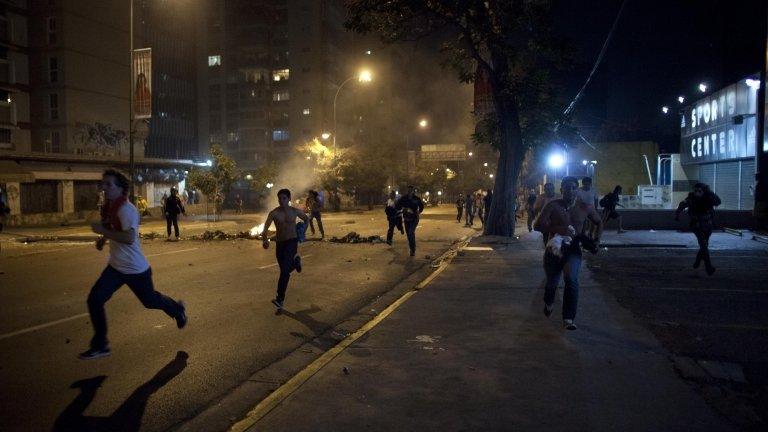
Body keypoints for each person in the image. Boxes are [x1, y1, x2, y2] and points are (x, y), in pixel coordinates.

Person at [80, 169, 187, 360]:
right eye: (103, 184)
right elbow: (113, 227)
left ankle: (177, 310)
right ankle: (101, 345)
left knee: (150, 301)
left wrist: (101, 230)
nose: (104, 188)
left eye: (109, 185)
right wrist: (103, 239)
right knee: (95, 299)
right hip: (115, 267)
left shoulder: (127, 209)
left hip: (136, 269)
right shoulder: (110, 206)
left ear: (120, 189)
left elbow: (129, 237)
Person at [534, 176, 602, 330]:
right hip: (554, 248)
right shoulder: (552, 206)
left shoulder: (585, 207)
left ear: (576, 190)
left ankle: (568, 318)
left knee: (571, 279)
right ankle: (549, 302)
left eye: (573, 188)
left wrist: (596, 241)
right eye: (566, 188)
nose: (570, 191)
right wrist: (557, 230)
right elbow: (537, 225)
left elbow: (599, 222)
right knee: (552, 284)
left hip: (573, 248)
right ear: (561, 190)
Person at [262, 188, 310, 310]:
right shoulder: (274, 213)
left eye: (284, 198)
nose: (281, 201)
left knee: (284, 271)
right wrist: (265, 240)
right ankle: (296, 262)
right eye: (279, 199)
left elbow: (306, 219)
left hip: (291, 242)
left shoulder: (294, 211)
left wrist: (302, 232)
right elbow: (266, 227)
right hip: (280, 243)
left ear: (289, 199)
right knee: (285, 270)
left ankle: (280, 298)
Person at [675, 182, 721, 275]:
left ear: (703, 191)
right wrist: (677, 213)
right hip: (696, 224)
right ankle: (708, 267)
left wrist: (711, 193)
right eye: (695, 191)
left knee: (705, 244)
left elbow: (718, 202)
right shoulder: (691, 198)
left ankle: (698, 260)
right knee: (703, 244)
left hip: (708, 224)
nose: (697, 193)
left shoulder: (709, 197)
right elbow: (682, 204)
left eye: (699, 191)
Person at [396, 185, 425, 256]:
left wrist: (418, 211)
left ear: (413, 191)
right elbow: (397, 205)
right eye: (408, 190)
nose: (409, 191)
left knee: (411, 232)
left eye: (411, 190)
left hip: (414, 218)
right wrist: (403, 209)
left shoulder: (416, 199)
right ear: (407, 190)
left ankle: (412, 250)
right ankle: (412, 247)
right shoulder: (404, 198)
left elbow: (421, 206)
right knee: (409, 235)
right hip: (406, 219)